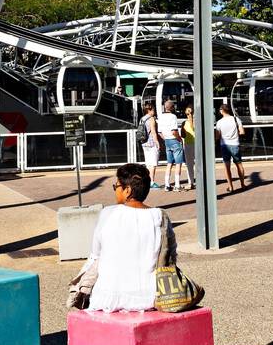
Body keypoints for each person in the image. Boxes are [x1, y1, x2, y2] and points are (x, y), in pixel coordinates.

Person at [68, 162, 176, 313]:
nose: (115, 191)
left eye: (116, 186)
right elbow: (171, 255)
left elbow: (95, 256)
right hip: (151, 297)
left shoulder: (107, 213)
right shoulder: (160, 216)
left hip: (106, 298)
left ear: (127, 190)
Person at [215, 102, 246, 193]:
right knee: (239, 165)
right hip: (235, 144)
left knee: (227, 167)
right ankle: (242, 184)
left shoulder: (219, 122)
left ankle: (231, 187)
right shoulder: (236, 119)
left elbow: (217, 136)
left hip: (224, 146)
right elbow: (242, 132)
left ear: (221, 110)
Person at [157, 97, 185, 191]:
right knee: (178, 163)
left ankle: (167, 185)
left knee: (169, 163)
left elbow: (159, 132)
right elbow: (174, 131)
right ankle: (177, 185)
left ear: (165, 107)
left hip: (167, 140)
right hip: (174, 140)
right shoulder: (173, 116)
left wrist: (166, 138)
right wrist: (179, 139)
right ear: (172, 107)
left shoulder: (160, 116)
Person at [137, 100, 161, 188]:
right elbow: (154, 132)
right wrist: (157, 142)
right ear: (150, 110)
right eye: (153, 110)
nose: (154, 111)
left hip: (144, 143)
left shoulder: (142, 119)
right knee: (153, 164)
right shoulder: (151, 119)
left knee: (148, 164)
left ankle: (147, 181)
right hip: (151, 143)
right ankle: (152, 182)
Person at [181, 103, 196, 190]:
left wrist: (191, 118)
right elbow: (183, 135)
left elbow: (183, 135)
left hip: (191, 144)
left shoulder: (187, 122)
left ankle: (193, 182)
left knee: (193, 164)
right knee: (193, 164)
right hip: (192, 144)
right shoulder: (185, 122)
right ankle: (194, 182)